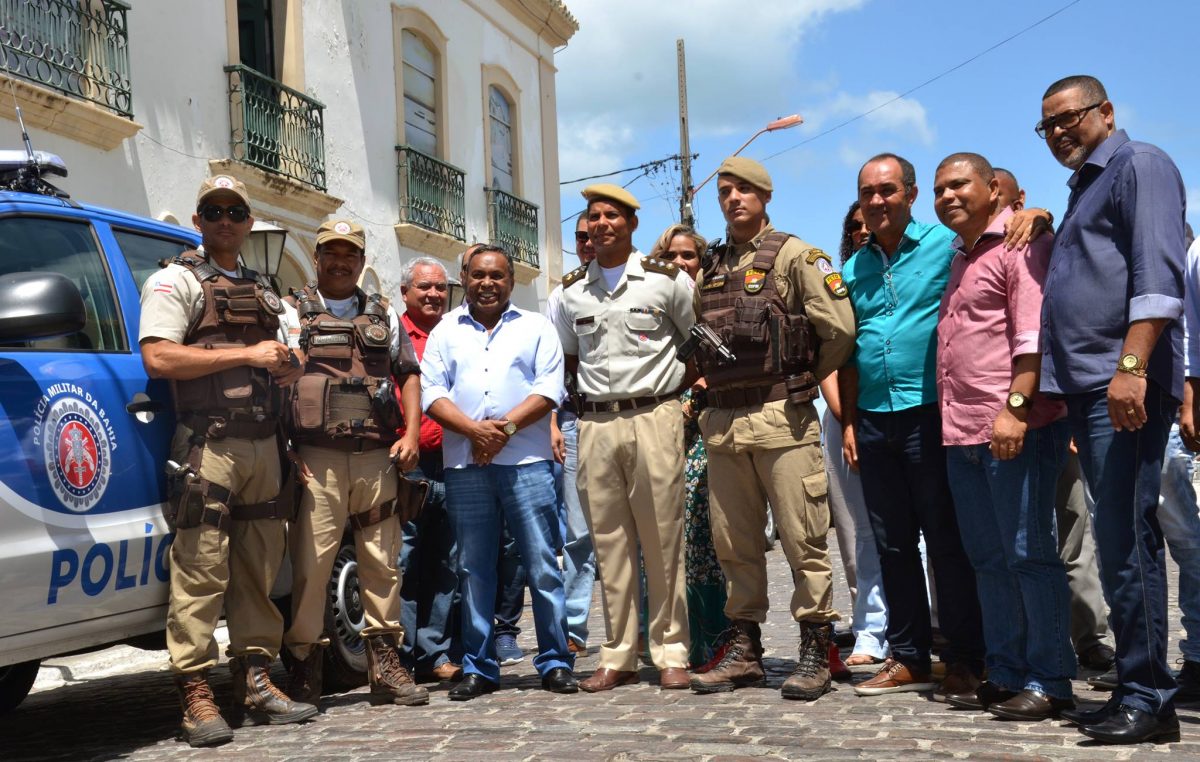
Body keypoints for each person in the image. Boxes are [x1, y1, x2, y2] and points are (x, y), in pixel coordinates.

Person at [138, 175, 315, 747]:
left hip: (265, 444)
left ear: (247, 222)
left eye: (235, 211)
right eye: (212, 211)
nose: (224, 220)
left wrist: (288, 362)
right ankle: (196, 692)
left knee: (259, 570)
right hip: (209, 444)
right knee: (201, 568)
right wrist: (247, 353)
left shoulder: (266, 290)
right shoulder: (175, 280)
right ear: (198, 221)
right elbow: (159, 357)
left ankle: (256, 677)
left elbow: (292, 359)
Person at [1036, 75, 1186, 744]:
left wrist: (1132, 367)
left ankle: (1149, 696)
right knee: (1118, 539)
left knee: (1129, 542)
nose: (1061, 130)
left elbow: (1158, 276)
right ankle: (1135, 687)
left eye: (1071, 116)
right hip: (1087, 390)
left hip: (1121, 386)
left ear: (1106, 112)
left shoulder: (1139, 164)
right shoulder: (1083, 188)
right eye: (1049, 125)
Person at [688, 157, 855, 701]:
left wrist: (803, 374)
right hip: (724, 425)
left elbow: (839, 328)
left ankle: (815, 646)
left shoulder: (794, 255)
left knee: (803, 537)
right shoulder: (711, 266)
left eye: (743, 190)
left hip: (782, 419)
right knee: (734, 542)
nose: (733, 199)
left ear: (764, 195)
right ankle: (744, 649)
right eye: (724, 192)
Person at [931, 153, 1075, 719]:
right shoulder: (960, 257)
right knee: (987, 559)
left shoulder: (1021, 243)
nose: (947, 196)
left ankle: (1051, 679)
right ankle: (1007, 669)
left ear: (994, 189)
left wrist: (1015, 408)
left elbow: (1031, 336)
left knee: (1029, 554)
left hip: (1013, 428)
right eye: (940, 188)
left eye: (959, 184)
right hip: (960, 430)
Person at [840, 153, 985, 700]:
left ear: (911, 193)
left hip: (931, 414)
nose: (877, 202)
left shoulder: (945, 246)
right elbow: (847, 352)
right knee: (893, 544)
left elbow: (995, 232)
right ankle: (908, 657)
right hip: (874, 419)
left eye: (887, 191)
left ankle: (967, 657)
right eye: (867, 193)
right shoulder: (853, 268)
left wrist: (1033, 214)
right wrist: (850, 421)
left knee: (947, 542)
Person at [555, 184, 695, 692]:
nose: (602, 223)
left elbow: (692, 341)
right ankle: (618, 654)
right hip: (594, 422)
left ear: (632, 224)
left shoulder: (667, 281)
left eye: (612, 215)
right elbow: (570, 360)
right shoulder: (570, 292)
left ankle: (672, 649)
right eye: (594, 216)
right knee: (608, 542)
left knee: (662, 538)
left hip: (654, 414)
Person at [281, 219, 426, 707]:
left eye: (350, 254)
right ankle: (303, 667)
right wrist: (287, 448)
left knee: (383, 563)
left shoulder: (384, 317)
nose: (340, 262)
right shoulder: (290, 313)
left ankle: (386, 666)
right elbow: (275, 381)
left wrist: (409, 434)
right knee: (312, 567)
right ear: (317, 258)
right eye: (331, 253)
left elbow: (408, 375)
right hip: (316, 459)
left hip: (375, 457)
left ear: (361, 262)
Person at [422, 245, 576, 700]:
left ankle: (554, 660)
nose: (487, 283)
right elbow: (432, 392)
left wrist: (502, 430)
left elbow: (550, 388)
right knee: (472, 568)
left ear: (510, 281)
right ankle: (479, 666)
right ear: (464, 277)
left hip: (526, 461)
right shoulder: (445, 331)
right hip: (466, 465)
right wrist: (473, 431)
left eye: (497, 276)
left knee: (543, 563)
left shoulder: (536, 327)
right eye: (478, 275)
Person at [996, 168, 1114, 675]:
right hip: (1002, 419)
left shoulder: (1041, 235)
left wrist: (1040, 216)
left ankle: (1088, 636)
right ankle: (1031, 642)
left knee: (1071, 533)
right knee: (1020, 540)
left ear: (1019, 199)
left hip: (1051, 411)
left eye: (1006, 200)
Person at [648, 223, 730, 668]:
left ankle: (712, 638)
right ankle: (664, 639)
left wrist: (697, 394)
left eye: (688, 256)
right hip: (658, 422)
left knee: (702, 533)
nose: (680, 264)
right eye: (671, 257)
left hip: (708, 425)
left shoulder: (714, 304)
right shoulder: (653, 306)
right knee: (660, 535)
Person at [824, 202, 888, 668]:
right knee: (859, 531)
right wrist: (848, 419)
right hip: (845, 413)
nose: (864, 230)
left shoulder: (922, 261)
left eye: (869, 223)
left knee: (909, 532)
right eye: (855, 225)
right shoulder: (838, 278)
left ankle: (921, 623)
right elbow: (828, 354)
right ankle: (869, 627)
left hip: (900, 413)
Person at [397, 256, 464, 683]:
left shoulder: (457, 335)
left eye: (440, 287)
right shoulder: (391, 334)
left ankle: (435, 652)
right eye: (424, 287)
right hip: (409, 466)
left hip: (454, 462)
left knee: (448, 562)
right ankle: (401, 656)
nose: (434, 294)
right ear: (405, 292)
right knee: (403, 562)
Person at [547, 214, 598, 654]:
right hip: (576, 419)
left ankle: (640, 629)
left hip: (625, 417)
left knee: (636, 533)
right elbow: (554, 366)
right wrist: (552, 423)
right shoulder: (562, 294)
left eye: (594, 235)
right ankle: (575, 627)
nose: (587, 242)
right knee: (578, 534)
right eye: (580, 236)